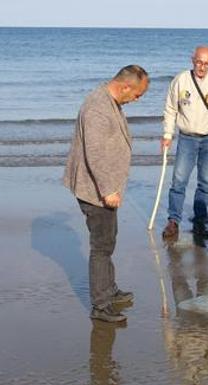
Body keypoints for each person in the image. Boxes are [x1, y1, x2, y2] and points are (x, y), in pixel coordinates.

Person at [63, 65, 149, 323]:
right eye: (137, 95)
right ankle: (101, 306)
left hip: (104, 188)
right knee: (101, 246)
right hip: (96, 190)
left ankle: (109, 290)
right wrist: (108, 190)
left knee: (109, 239)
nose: (137, 100)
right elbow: (95, 154)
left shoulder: (110, 100)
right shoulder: (98, 108)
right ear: (125, 86)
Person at [161, 46, 208, 241]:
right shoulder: (181, 80)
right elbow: (170, 109)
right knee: (179, 181)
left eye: (207, 64)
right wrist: (168, 134)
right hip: (186, 137)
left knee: (205, 183)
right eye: (199, 62)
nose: (202, 67)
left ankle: (199, 221)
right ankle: (173, 221)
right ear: (192, 59)